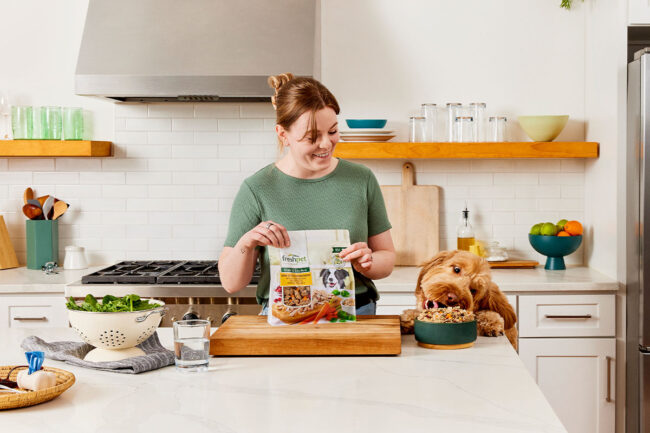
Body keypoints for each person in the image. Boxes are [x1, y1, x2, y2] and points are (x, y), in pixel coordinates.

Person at [218, 73, 395, 315]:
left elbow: (387, 258)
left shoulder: (361, 179)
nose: (326, 144)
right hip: (285, 315)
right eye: (312, 137)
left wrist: (367, 262)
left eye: (332, 131)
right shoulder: (257, 188)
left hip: (355, 314)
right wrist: (247, 242)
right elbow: (231, 283)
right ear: (283, 134)